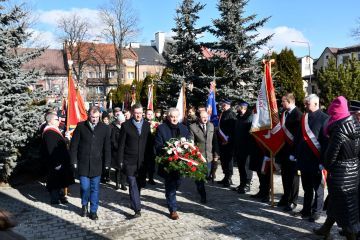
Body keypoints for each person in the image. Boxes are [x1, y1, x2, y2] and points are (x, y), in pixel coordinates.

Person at [313, 96, 360, 240]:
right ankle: (325, 229)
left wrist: (326, 165)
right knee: (335, 203)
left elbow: (330, 157)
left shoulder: (338, 131)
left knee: (347, 212)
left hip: (341, 176)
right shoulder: (356, 126)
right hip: (354, 172)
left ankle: (351, 237)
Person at [70, 106, 111, 220]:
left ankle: (93, 211)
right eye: (92, 117)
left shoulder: (104, 128)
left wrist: (107, 163)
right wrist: (73, 160)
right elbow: (74, 146)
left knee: (95, 189)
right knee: (84, 187)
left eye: (97, 117)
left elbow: (107, 148)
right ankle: (84, 205)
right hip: (83, 164)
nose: (94, 119)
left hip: (97, 164)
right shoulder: (81, 126)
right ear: (88, 115)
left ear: (100, 116)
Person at [294, 94, 328, 222]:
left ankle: (317, 212)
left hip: (316, 160)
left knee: (318, 189)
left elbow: (325, 143)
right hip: (304, 159)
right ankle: (306, 209)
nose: (305, 106)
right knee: (307, 187)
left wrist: (323, 162)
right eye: (305, 103)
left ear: (315, 104)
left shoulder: (325, 118)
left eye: (307, 104)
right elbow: (298, 138)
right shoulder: (304, 117)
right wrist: (295, 154)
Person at [155, 108, 191, 220]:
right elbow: (158, 145)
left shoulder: (184, 128)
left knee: (177, 183)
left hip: (180, 163)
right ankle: (173, 209)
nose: (174, 118)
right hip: (168, 162)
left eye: (176, 116)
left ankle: (170, 197)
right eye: (172, 116)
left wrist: (187, 146)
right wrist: (168, 149)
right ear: (168, 117)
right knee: (170, 185)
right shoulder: (161, 128)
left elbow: (189, 142)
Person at [118, 103, 152, 218]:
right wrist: (120, 160)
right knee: (132, 183)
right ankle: (137, 209)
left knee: (139, 184)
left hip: (142, 161)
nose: (138, 115)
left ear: (143, 113)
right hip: (129, 160)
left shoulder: (147, 125)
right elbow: (121, 145)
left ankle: (134, 201)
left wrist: (150, 159)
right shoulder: (126, 125)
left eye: (140, 113)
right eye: (136, 113)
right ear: (132, 113)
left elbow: (149, 144)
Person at [42, 111, 74, 204]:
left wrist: (66, 138)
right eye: (56, 119)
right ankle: (55, 199)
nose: (58, 121)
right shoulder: (49, 132)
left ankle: (61, 196)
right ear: (50, 121)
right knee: (55, 181)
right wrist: (56, 163)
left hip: (61, 161)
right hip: (56, 162)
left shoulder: (54, 130)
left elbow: (59, 143)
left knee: (60, 180)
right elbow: (51, 149)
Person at [277, 93, 302, 211]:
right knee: (285, 176)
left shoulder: (298, 115)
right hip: (284, 151)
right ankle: (286, 197)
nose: (282, 104)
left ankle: (293, 201)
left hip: (293, 152)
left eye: (283, 101)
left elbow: (299, 136)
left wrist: (296, 153)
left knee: (294, 178)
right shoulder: (284, 113)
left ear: (290, 101)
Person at [189, 110, 220, 203]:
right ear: (199, 117)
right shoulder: (192, 127)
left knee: (207, 175)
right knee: (200, 178)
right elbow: (191, 142)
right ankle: (203, 195)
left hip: (209, 156)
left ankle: (200, 184)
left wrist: (216, 154)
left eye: (206, 117)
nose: (205, 118)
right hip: (198, 157)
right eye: (203, 117)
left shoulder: (211, 126)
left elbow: (215, 141)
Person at [233, 101, 253, 194]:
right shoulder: (238, 117)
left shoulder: (249, 117)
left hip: (247, 147)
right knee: (241, 166)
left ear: (243, 107)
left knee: (246, 166)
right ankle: (242, 183)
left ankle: (247, 185)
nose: (236, 108)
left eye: (238, 106)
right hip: (238, 145)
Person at [217, 99, 236, 187]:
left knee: (228, 160)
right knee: (223, 159)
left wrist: (227, 139)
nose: (222, 106)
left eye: (224, 105)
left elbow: (232, 129)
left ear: (228, 105)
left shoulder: (231, 114)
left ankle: (229, 178)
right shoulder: (224, 113)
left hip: (228, 142)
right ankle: (225, 176)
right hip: (222, 141)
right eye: (222, 105)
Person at [110, 108, 127, 191]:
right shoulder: (114, 128)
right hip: (117, 151)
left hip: (124, 151)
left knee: (123, 169)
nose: (122, 123)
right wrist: (117, 147)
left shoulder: (126, 128)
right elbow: (113, 140)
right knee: (118, 168)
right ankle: (117, 184)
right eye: (120, 121)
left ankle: (123, 184)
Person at [144, 109, 156, 185]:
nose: (150, 116)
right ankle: (143, 178)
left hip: (153, 146)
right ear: (145, 115)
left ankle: (151, 178)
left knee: (152, 163)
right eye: (148, 114)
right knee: (144, 163)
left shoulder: (156, 124)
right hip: (144, 146)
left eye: (151, 114)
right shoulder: (143, 123)